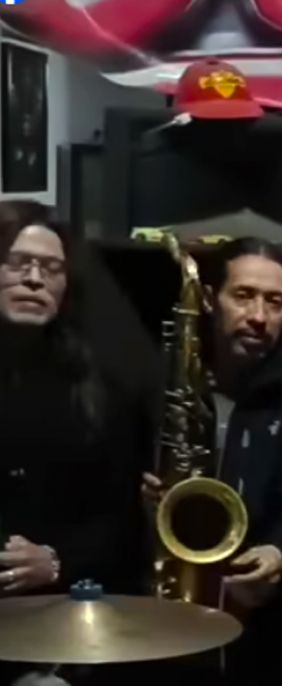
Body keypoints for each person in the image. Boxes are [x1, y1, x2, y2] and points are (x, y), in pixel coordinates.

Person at [140, 237, 282, 684]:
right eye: (243, 295)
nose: (259, 316)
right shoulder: (169, 376)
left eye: (275, 302)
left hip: (269, 631)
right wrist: (147, 499)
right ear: (209, 300)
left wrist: (280, 549)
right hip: (168, 609)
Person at [0, 201, 146, 685]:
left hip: (51, 631)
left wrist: (56, 559)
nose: (34, 279)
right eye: (18, 263)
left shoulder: (101, 394)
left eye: (51, 269)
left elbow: (119, 521)